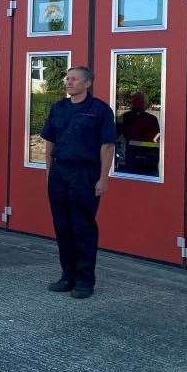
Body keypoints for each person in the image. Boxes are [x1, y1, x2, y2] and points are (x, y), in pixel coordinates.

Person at [41, 66, 116, 299]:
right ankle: (68, 276)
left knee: (83, 227)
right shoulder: (59, 108)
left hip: (85, 174)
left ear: (87, 83)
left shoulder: (100, 110)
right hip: (60, 173)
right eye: (67, 78)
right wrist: (49, 171)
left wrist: (103, 178)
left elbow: (107, 146)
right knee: (62, 227)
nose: (69, 82)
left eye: (74, 79)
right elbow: (49, 142)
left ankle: (85, 281)